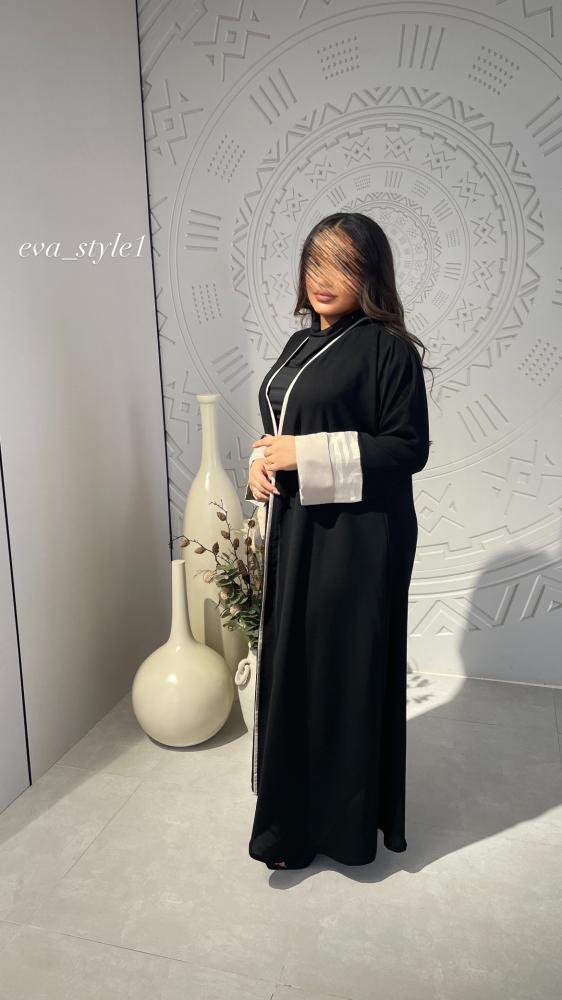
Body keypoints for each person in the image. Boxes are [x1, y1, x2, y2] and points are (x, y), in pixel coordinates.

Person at [244, 212, 433, 871]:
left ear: (371, 276)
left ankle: (343, 828)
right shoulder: (300, 344)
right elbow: (285, 425)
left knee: (341, 671)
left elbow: (407, 449)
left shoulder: (389, 349)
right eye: (316, 262)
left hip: (358, 541)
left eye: (345, 266)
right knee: (296, 666)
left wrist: (303, 453)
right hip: (299, 530)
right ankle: (290, 824)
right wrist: (262, 460)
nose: (325, 278)